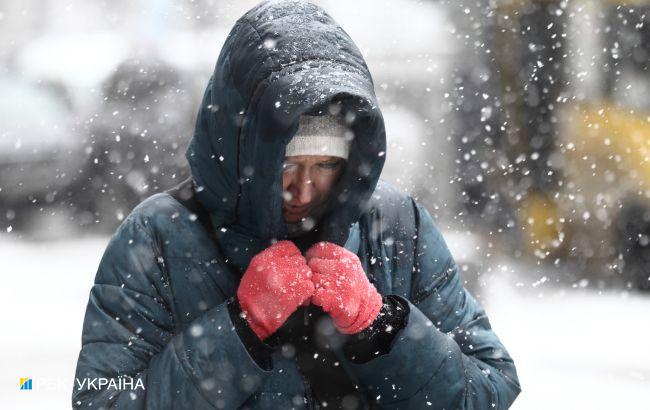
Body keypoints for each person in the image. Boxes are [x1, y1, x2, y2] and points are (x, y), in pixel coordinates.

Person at [72, 1, 521, 409]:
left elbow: (491, 388)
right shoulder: (159, 236)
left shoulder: (397, 225)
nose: (304, 191)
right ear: (246, 150)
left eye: (326, 164)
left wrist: (382, 325)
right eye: (285, 165)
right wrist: (240, 330)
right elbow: (101, 402)